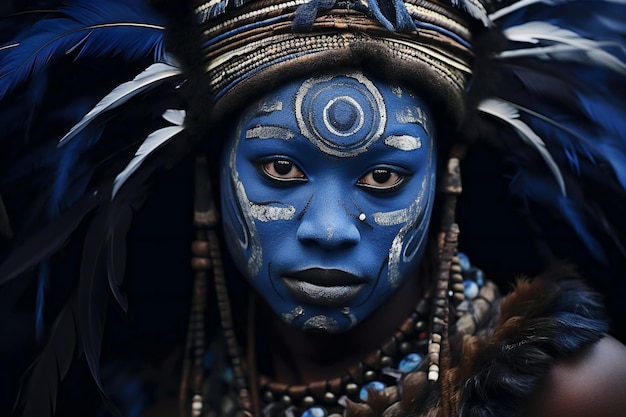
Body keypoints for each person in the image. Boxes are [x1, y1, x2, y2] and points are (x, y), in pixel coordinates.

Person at [0, 0, 626, 416]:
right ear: (209, 172)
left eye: (383, 175)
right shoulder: (157, 393)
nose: (327, 229)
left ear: (445, 176)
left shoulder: (576, 392)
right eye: (280, 169)